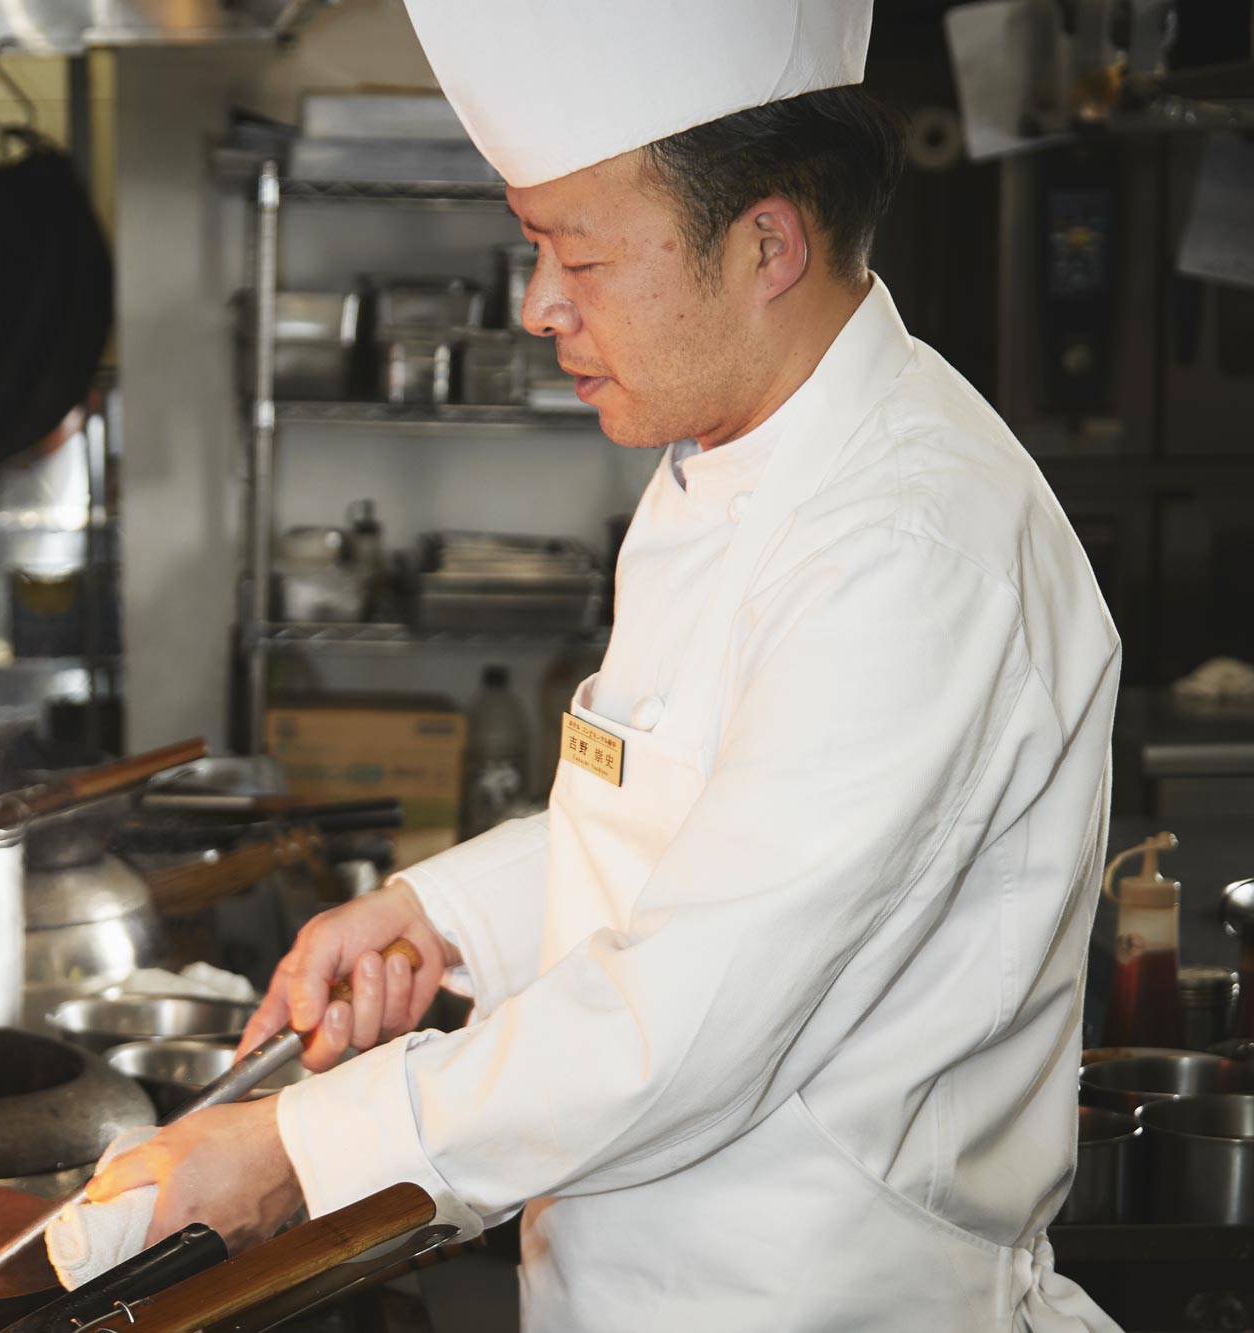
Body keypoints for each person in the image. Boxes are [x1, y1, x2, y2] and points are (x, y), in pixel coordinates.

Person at [86, 1, 1122, 1326]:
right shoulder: (723, 460)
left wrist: (302, 1152)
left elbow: (689, 1016)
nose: (537, 306)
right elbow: (687, 823)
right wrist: (444, 914)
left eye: (576, 252)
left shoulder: (914, 549)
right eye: (533, 247)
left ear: (765, 245)